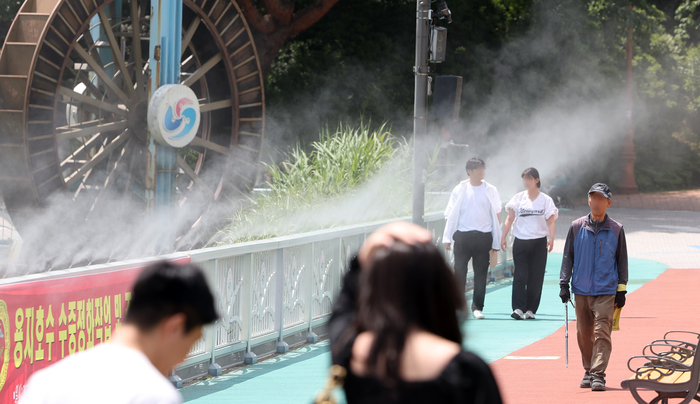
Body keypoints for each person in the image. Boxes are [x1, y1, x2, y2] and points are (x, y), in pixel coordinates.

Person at [329, 222, 503, 403]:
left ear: (372, 291)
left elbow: (343, 310)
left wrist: (362, 258)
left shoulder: (352, 353)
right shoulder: (466, 371)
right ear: (442, 289)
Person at [19, 261, 218, 404]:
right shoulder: (153, 395)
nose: (183, 359)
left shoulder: (45, 382)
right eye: (191, 343)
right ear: (174, 327)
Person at [559, 183, 628, 392]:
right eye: (592, 197)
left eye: (600, 198)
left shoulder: (617, 229)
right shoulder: (576, 227)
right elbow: (567, 257)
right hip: (580, 290)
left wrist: (621, 289)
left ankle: (598, 374)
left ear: (608, 202)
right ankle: (588, 370)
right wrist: (564, 283)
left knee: (602, 332)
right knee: (583, 332)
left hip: (606, 291)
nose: (595, 201)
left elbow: (621, 261)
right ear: (589, 200)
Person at [443, 157, 502, 319]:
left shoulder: (490, 190)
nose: (482, 171)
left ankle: (477, 307)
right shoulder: (460, 189)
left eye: (483, 168)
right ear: (470, 171)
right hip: (462, 236)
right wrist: (448, 237)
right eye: (479, 169)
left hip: (483, 237)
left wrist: (496, 239)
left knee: (480, 273)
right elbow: (450, 214)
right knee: (459, 271)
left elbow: (497, 215)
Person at [501, 168, 558, 320]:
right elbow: (509, 219)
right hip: (521, 241)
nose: (526, 182)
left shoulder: (546, 200)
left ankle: (531, 309)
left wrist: (551, 238)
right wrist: (503, 236)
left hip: (539, 242)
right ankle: (518, 308)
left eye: (529, 179)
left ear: (536, 180)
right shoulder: (518, 199)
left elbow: (551, 221)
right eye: (524, 179)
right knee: (520, 275)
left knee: (535, 277)